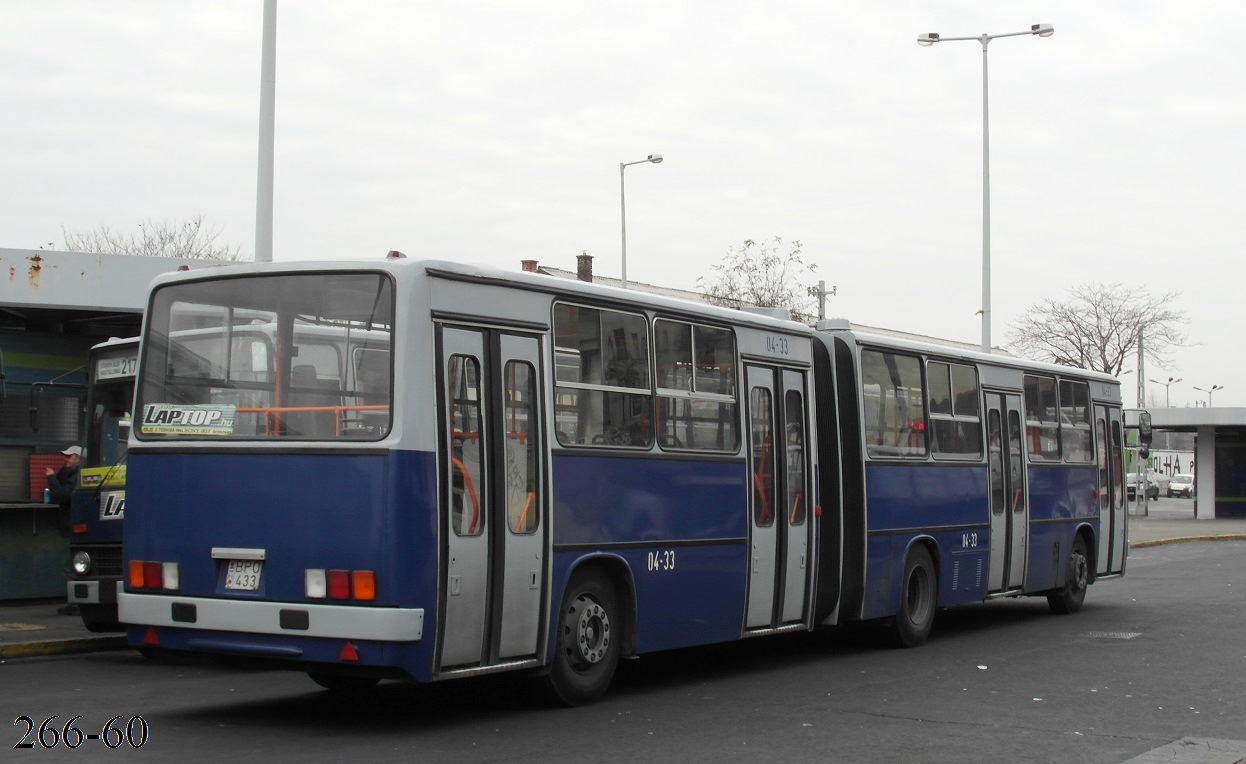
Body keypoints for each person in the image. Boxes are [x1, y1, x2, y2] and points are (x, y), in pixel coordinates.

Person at [45, 445, 82, 616]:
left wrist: (52, 478)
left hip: (72, 527)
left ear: (78, 458)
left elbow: (61, 495)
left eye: (69, 456)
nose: (65, 459)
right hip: (70, 526)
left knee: (68, 567)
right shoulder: (69, 474)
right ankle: (75, 602)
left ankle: (75, 603)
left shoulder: (75, 477)